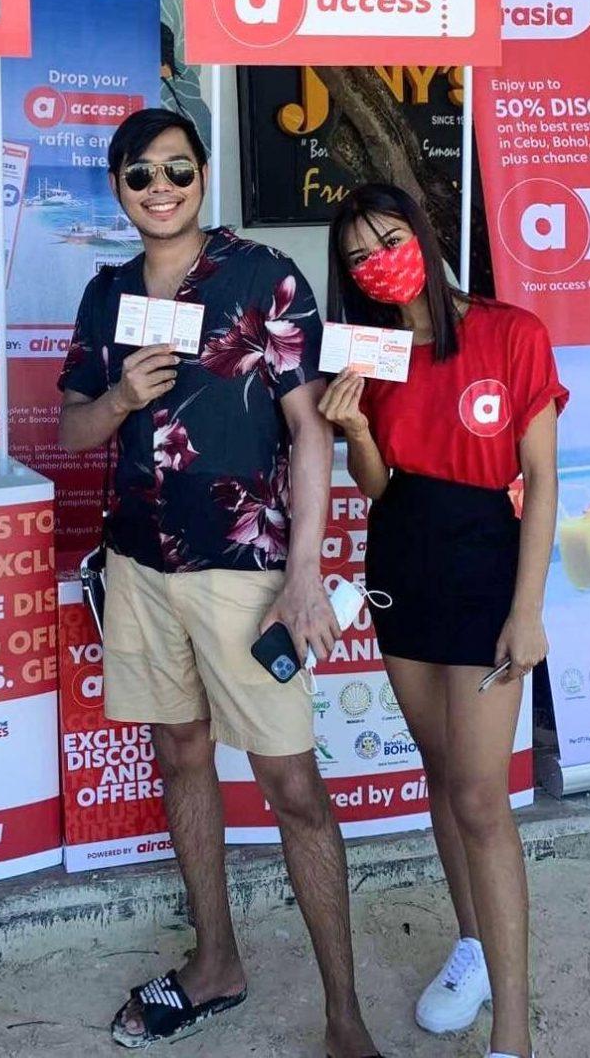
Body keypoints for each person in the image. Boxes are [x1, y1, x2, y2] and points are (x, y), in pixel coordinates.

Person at [58, 108, 382, 1058]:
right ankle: (215, 965)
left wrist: (303, 573)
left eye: (175, 169)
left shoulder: (259, 275)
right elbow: (75, 430)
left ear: (202, 173)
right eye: (138, 175)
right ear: (116, 189)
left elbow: (310, 428)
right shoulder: (106, 291)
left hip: (245, 570)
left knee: (292, 787)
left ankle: (344, 1017)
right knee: (180, 754)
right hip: (139, 565)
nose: (158, 188)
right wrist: (120, 397)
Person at [320, 184, 567, 1058]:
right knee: (440, 771)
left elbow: (542, 480)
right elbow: (379, 487)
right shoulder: (371, 351)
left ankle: (511, 1034)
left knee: (479, 796)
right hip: (401, 569)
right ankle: (471, 945)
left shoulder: (510, 331)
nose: (377, 263)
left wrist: (527, 611)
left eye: (389, 240)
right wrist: (354, 430)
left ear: (423, 234)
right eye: (357, 256)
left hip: (485, 571)